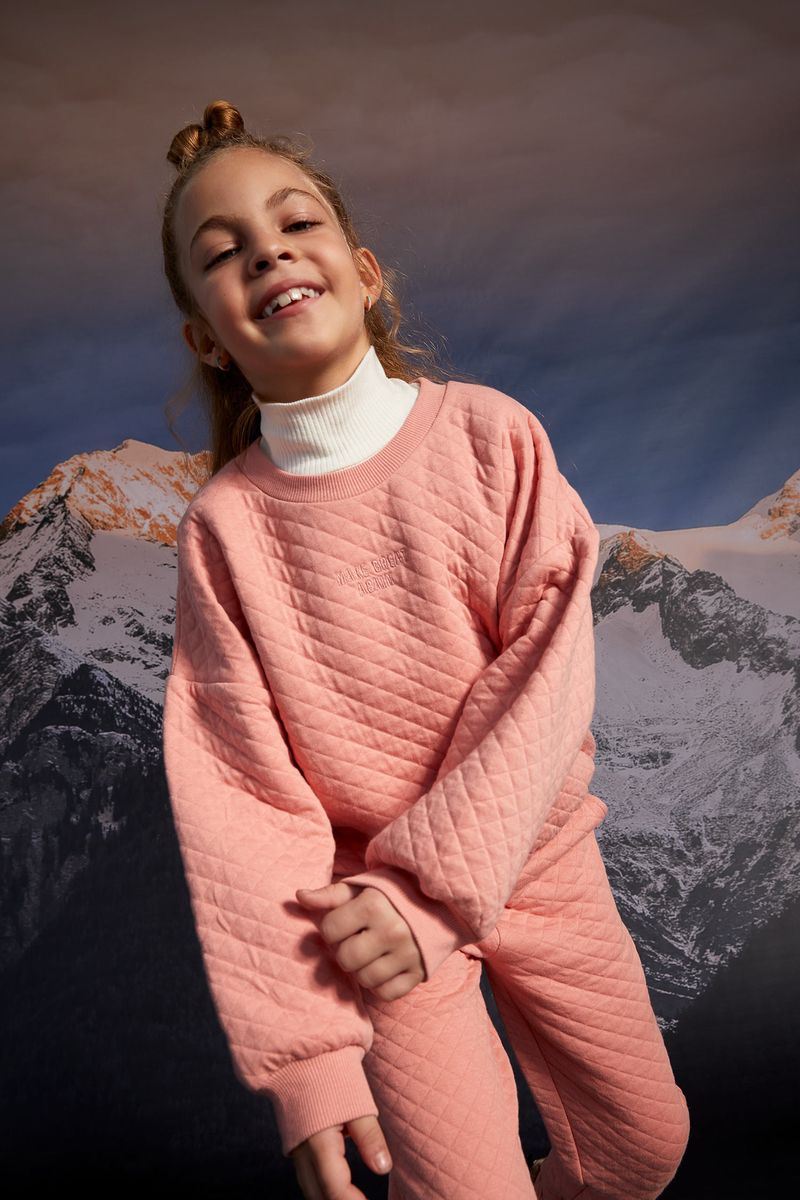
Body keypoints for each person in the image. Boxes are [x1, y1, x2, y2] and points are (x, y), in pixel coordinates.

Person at [159, 99, 691, 1200]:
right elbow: (240, 798)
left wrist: (437, 890)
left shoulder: (492, 437)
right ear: (208, 338)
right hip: (367, 920)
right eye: (222, 252)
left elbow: (543, 677)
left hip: (535, 860)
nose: (267, 251)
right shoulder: (225, 531)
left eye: (295, 224)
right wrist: (309, 1062)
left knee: (641, 1150)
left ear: (364, 274)